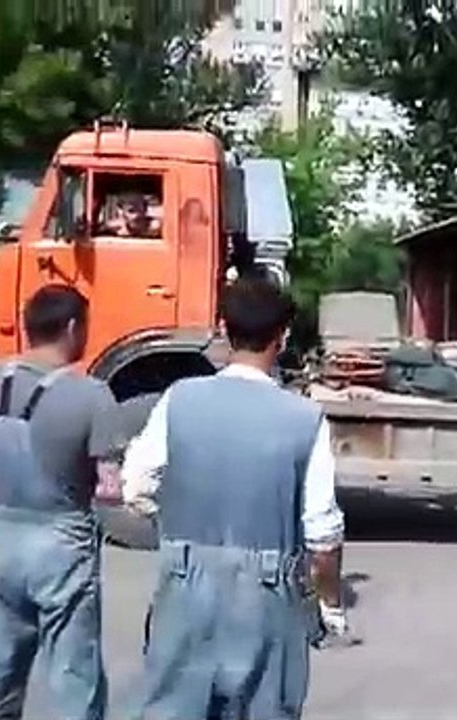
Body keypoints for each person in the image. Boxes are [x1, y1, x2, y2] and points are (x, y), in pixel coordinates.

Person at [120, 277, 347, 719]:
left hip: (185, 581)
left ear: (223, 329)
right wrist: (330, 604)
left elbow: (136, 487)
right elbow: (322, 534)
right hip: (266, 592)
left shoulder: (179, 398)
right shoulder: (305, 417)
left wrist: (176, 527)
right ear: (282, 339)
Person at [0, 285, 123, 720]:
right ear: (73, 327)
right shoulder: (92, 396)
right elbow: (110, 487)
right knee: (72, 674)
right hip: (62, 544)